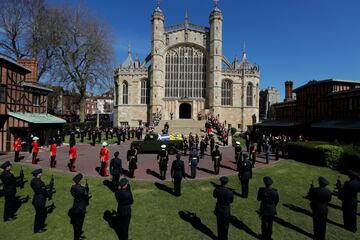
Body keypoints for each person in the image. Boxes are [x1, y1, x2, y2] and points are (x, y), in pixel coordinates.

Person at [70, 173, 90, 240]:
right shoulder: (82, 189)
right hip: (81, 207)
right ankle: (77, 237)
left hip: (75, 207)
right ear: (80, 180)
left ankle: (78, 236)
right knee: (79, 223)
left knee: (76, 224)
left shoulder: (73, 187)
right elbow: (86, 196)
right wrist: (87, 189)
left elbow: (73, 193)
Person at [30, 169, 49, 233]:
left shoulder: (33, 181)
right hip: (40, 200)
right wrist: (48, 194)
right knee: (40, 215)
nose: (41, 174)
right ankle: (38, 229)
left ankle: (38, 227)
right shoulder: (39, 182)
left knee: (38, 214)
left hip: (36, 199)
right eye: (40, 173)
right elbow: (43, 191)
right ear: (38, 174)